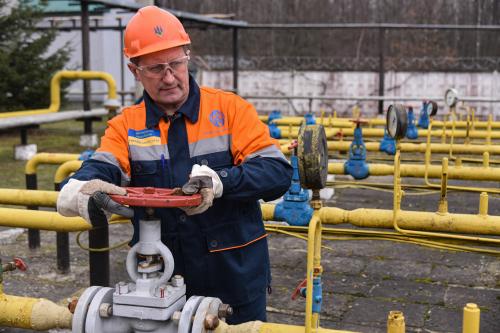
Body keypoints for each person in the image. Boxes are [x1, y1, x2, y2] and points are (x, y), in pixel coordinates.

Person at [56, 5, 292, 324]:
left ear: (187, 56)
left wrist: (219, 182)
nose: (169, 78)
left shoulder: (230, 110)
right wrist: (80, 186)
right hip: (159, 285)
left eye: (175, 64)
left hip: (234, 277)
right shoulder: (127, 125)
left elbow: (276, 173)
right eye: (155, 69)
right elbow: (103, 165)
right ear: (134, 70)